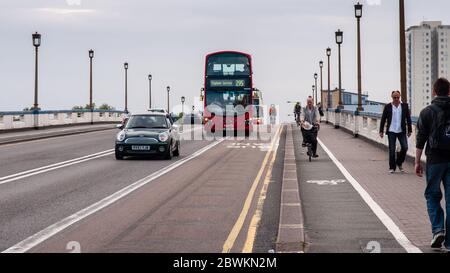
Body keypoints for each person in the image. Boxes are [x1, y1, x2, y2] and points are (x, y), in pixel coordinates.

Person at [415, 78, 450, 251]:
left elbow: (420, 139)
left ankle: (438, 230)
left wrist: (416, 162)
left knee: (432, 195)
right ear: (449, 92)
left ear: (434, 92)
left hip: (435, 160)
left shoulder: (427, 112)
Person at [379, 90, 412, 174]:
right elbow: (383, 119)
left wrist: (410, 130)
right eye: (395, 97)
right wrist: (381, 131)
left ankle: (399, 162)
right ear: (392, 97)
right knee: (392, 150)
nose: (396, 99)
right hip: (391, 131)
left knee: (405, 147)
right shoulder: (388, 107)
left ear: (399, 97)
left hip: (401, 131)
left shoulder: (404, 106)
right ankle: (392, 167)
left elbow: (408, 119)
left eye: (398, 97)